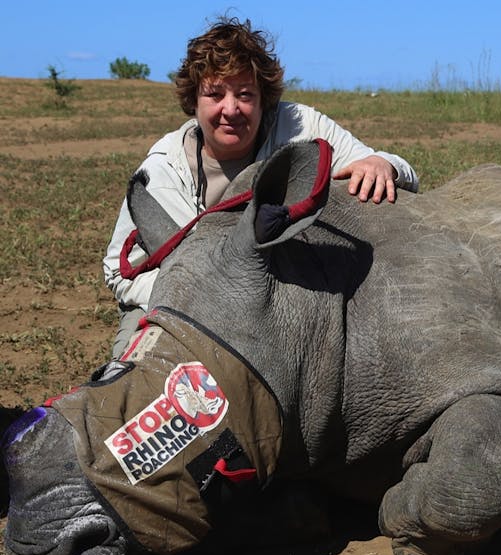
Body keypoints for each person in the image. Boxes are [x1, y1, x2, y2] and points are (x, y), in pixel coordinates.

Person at [103, 17, 419, 358]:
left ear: (263, 99)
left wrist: (383, 165)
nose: (231, 109)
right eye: (214, 94)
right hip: (179, 306)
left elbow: (388, 168)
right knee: (134, 381)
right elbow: (119, 270)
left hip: (281, 304)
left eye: (244, 94)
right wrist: (192, 296)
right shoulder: (161, 171)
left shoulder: (300, 127)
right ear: (193, 101)